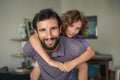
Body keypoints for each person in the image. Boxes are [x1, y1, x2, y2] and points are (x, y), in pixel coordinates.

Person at [29, 9, 95, 80]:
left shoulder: (77, 38)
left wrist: (72, 63)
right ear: (65, 23)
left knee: (84, 66)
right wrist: (49, 60)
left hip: (67, 60)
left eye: (77, 28)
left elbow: (91, 52)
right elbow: (33, 38)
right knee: (33, 75)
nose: (73, 31)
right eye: (71, 26)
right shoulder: (56, 32)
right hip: (47, 56)